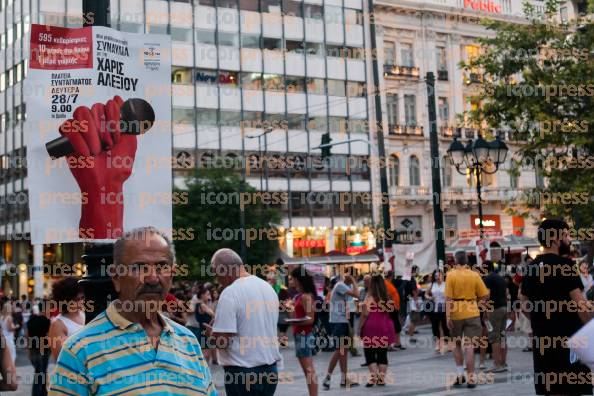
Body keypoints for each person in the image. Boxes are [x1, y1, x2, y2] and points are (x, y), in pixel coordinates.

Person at [49, 227, 216, 395]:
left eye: (162, 266)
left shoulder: (188, 342)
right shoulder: (79, 351)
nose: (152, 277)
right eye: (139, 267)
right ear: (116, 278)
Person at [520, 219, 593, 395]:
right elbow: (582, 309)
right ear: (554, 238)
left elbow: (523, 305)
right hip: (568, 346)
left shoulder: (531, 268)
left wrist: (544, 320)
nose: (569, 240)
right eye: (566, 235)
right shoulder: (566, 266)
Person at [206, 248, 281, 396]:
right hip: (270, 371)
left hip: (242, 374)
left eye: (216, 273)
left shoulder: (230, 293)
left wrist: (212, 334)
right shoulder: (267, 288)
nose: (217, 279)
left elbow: (222, 341)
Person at [445, 250, 489, 388]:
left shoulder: (451, 275)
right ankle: (471, 379)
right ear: (467, 261)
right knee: (470, 346)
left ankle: (460, 375)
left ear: (455, 261)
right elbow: (485, 295)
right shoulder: (475, 275)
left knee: (456, 344)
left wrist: (447, 316)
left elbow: (448, 298)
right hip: (472, 311)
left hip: (456, 312)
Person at [322, 274, 360, 390]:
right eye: (354, 278)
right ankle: (327, 378)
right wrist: (353, 280)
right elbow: (357, 294)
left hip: (341, 321)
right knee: (340, 350)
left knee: (343, 351)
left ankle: (344, 379)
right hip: (338, 322)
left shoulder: (342, 287)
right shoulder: (340, 285)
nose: (354, 282)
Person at [358, 274, 396, 387]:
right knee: (382, 353)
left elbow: (365, 314)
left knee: (369, 353)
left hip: (371, 326)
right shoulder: (387, 297)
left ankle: (374, 377)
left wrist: (359, 328)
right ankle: (381, 379)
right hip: (384, 326)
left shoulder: (369, 297)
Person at [288, 267, 318, 396]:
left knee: (309, 370)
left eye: (292, 279)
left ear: (298, 279)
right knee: (307, 371)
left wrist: (294, 321)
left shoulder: (306, 296)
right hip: (300, 335)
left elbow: (310, 319)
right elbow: (294, 316)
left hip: (304, 335)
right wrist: (290, 309)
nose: (290, 281)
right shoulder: (299, 296)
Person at [48, 276, 85, 361]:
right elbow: (60, 358)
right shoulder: (58, 324)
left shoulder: (84, 314)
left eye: (82, 298)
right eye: (76, 299)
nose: (81, 302)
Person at [482, 260, 509, 373]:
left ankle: (496, 364)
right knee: (502, 336)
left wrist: (485, 310)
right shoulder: (500, 278)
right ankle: (503, 363)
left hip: (494, 310)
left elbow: (487, 295)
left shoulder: (487, 279)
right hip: (503, 308)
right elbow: (507, 293)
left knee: (494, 338)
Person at [27, 301, 51, 396]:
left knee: (41, 372)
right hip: (43, 350)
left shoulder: (31, 319)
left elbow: (27, 335)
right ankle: (37, 393)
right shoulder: (47, 321)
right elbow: (49, 336)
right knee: (40, 373)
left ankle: (43, 392)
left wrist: (28, 349)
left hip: (33, 350)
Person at [426, 269, 449, 354]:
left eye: (439, 275)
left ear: (442, 276)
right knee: (435, 326)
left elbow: (450, 295)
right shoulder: (432, 285)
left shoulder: (446, 284)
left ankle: (447, 343)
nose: (437, 277)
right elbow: (426, 294)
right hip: (434, 308)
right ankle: (438, 343)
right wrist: (429, 298)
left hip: (444, 307)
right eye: (436, 276)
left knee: (445, 325)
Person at [195, 285, 216, 364]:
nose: (209, 296)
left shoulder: (200, 305)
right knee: (205, 355)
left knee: (206, 354)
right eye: (207, 294)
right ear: (202, 295)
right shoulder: (202, 305)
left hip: (203, 330)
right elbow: (214, 315)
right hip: (204, 332)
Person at [385, 271, 404, 350]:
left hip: (394, 307)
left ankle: (397, 343)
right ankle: (389, 344)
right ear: (391, 276)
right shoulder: (386, 283)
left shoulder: (389, 283)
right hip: (391, 307)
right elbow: (387, 294)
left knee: (396, 325)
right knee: (392, 325)